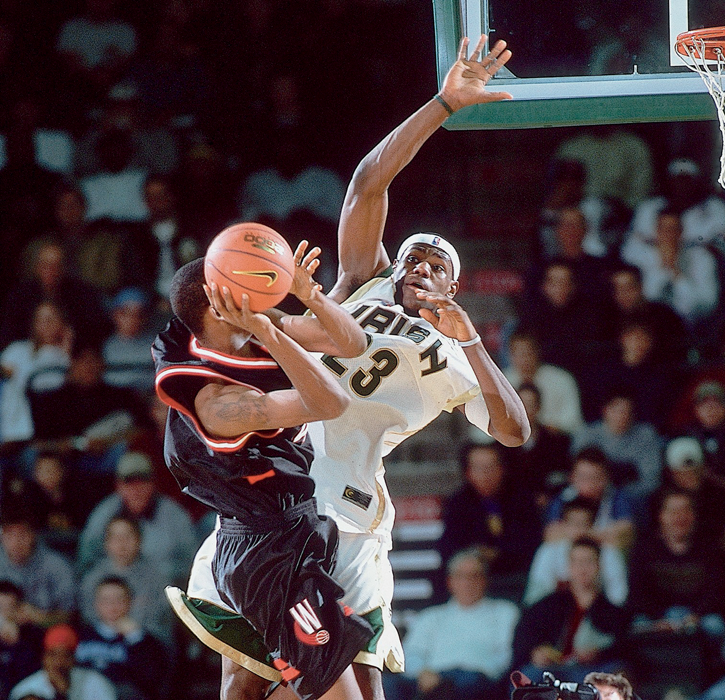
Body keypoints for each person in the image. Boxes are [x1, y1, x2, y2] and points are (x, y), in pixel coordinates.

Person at [169, 35, 528, 700]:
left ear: (454, 286)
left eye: (438, 265)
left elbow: (512, 431)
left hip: (352, 512)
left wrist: (473, 339)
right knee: (242, 681)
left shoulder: (453, 355)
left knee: (355, 689)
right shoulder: (360, 281)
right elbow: (369, 182)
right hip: (276, 487)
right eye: (414, 256)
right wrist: (442, 104)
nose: (421, 267)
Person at [154, 241, 374, 700]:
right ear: (220, 304)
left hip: (295, 526)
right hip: (265, 553)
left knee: (318, 686)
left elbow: (353, 342)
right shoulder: (219, 402)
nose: (263, 289)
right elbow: (332, 401)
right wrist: (272, 333)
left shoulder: (234, 329)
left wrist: (310, 295)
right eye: (247, 281)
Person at [384, 549, 519, 700]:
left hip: (477, 679)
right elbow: (411, 654)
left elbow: (504, 657)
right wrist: (423, 673)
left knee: (464, 684)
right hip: (432, 677)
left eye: (475, 576)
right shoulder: (430, 616)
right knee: (387, 685)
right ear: (450, 581)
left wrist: (481, 671)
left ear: (485, 580)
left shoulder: (505, 612)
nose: (468, 583)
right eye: (461, 576)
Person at [513, 537, 629, 683]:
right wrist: (535, 653)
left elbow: (623, 648)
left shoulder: (613, 612)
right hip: (550, 670)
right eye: (577, 562)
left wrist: (598, 654)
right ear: (569, 566)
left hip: (591, 670)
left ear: (599, 566)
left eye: (588, 561)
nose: (582, 568)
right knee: (528, 677)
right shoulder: (547, 605)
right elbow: (524, 638)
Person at [75, 451, 196, 583]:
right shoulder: (103, 514)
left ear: (153, 484)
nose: (136, 489)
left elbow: (190, 563)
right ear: (118, 485)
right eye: (129, 483)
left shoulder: (175, 516)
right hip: (114, 589)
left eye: (142, 481)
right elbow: (87, 561)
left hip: (161, 590)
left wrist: (152, 576)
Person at [75, 577, 168, 700]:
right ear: (96, 604)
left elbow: (153, 680)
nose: (112, 606)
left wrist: (135, 637)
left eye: (119, 600)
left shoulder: (144, 640)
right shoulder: (80, 636)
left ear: (130, 602)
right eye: (106, 600)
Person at [523, 498, 628, 607]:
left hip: (598, 614)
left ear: (593, 525)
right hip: (557, 614)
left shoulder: (609, 553)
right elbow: (536, 594)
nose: (579, 530)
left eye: (584, 523)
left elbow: (618, 596)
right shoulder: (549, 551)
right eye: (573, 523)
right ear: (563, 525)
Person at [0, 511, 75, 628]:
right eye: (9, 536)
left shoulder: (56, 565)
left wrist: (40, 618)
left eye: (22, 535)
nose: (16, 543)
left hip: (44, 630)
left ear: (33, 535)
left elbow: (70, 616)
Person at [9, 624, 116, 700]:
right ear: (43, 657)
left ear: (74, 659)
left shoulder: (96, 683)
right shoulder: (25, 689)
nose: (59, 662)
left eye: (66, 656)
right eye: (53, 655)